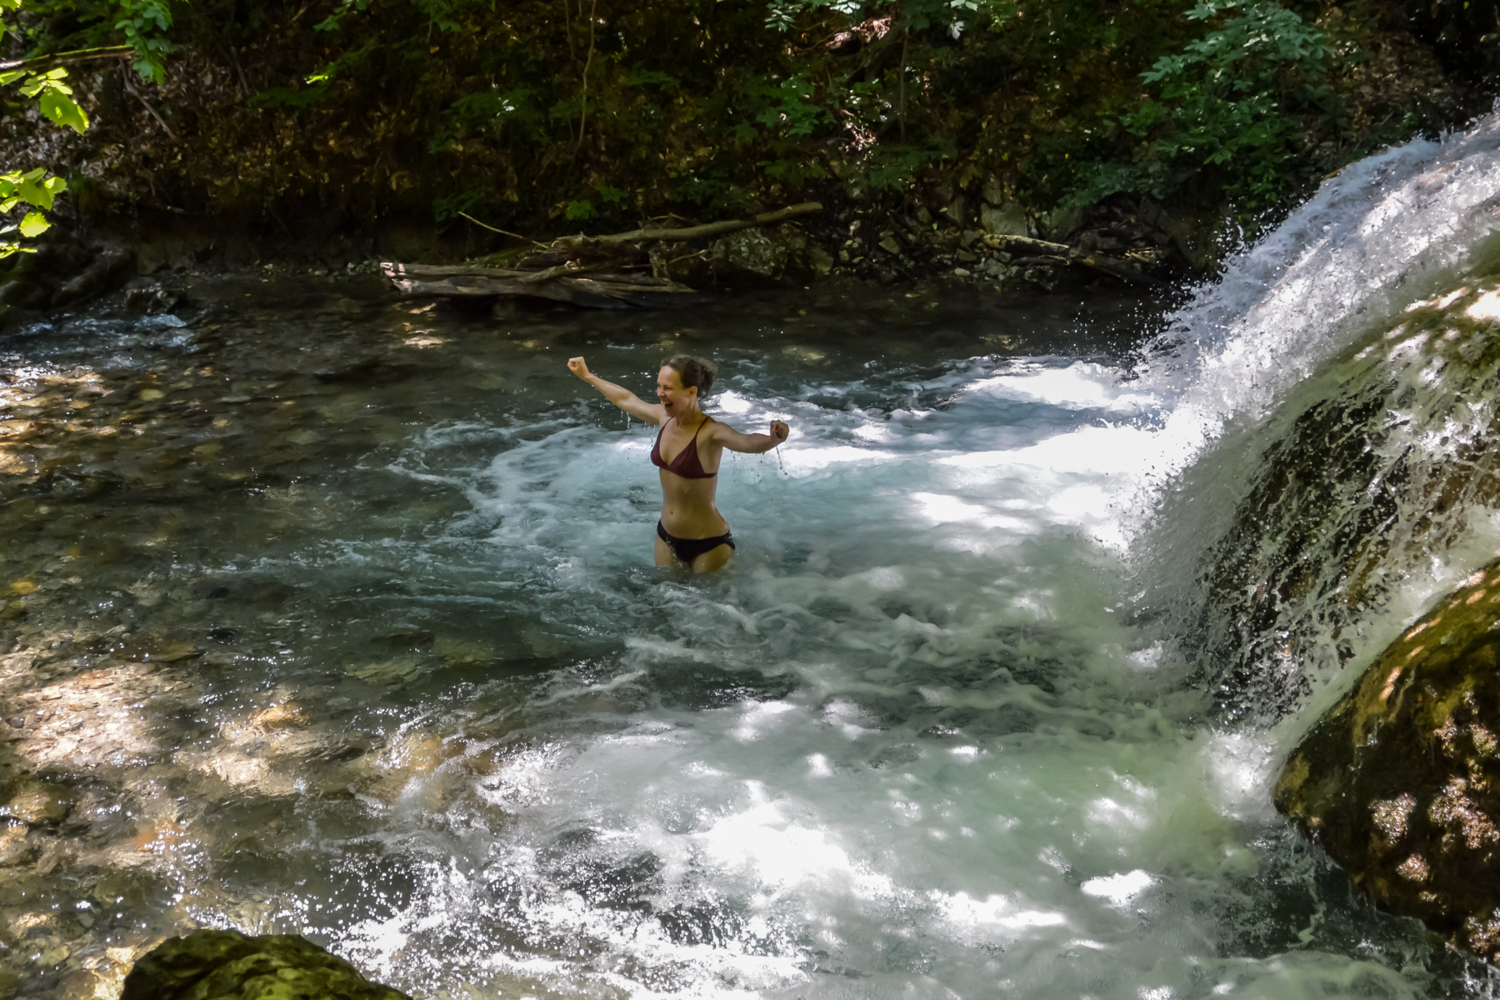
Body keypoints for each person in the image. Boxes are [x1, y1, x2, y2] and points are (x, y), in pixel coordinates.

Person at [567, 354, 790, 572]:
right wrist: (588, 376)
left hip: (709, 544)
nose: (660, 394)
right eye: (659, 386)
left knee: (708, 607)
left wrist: (773, 439)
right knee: (666, 603)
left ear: (691, 391)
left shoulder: (711, 432)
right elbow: (626, 399)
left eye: (667, 388)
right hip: (666, 538)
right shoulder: (664, 418)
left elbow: (747, 441)